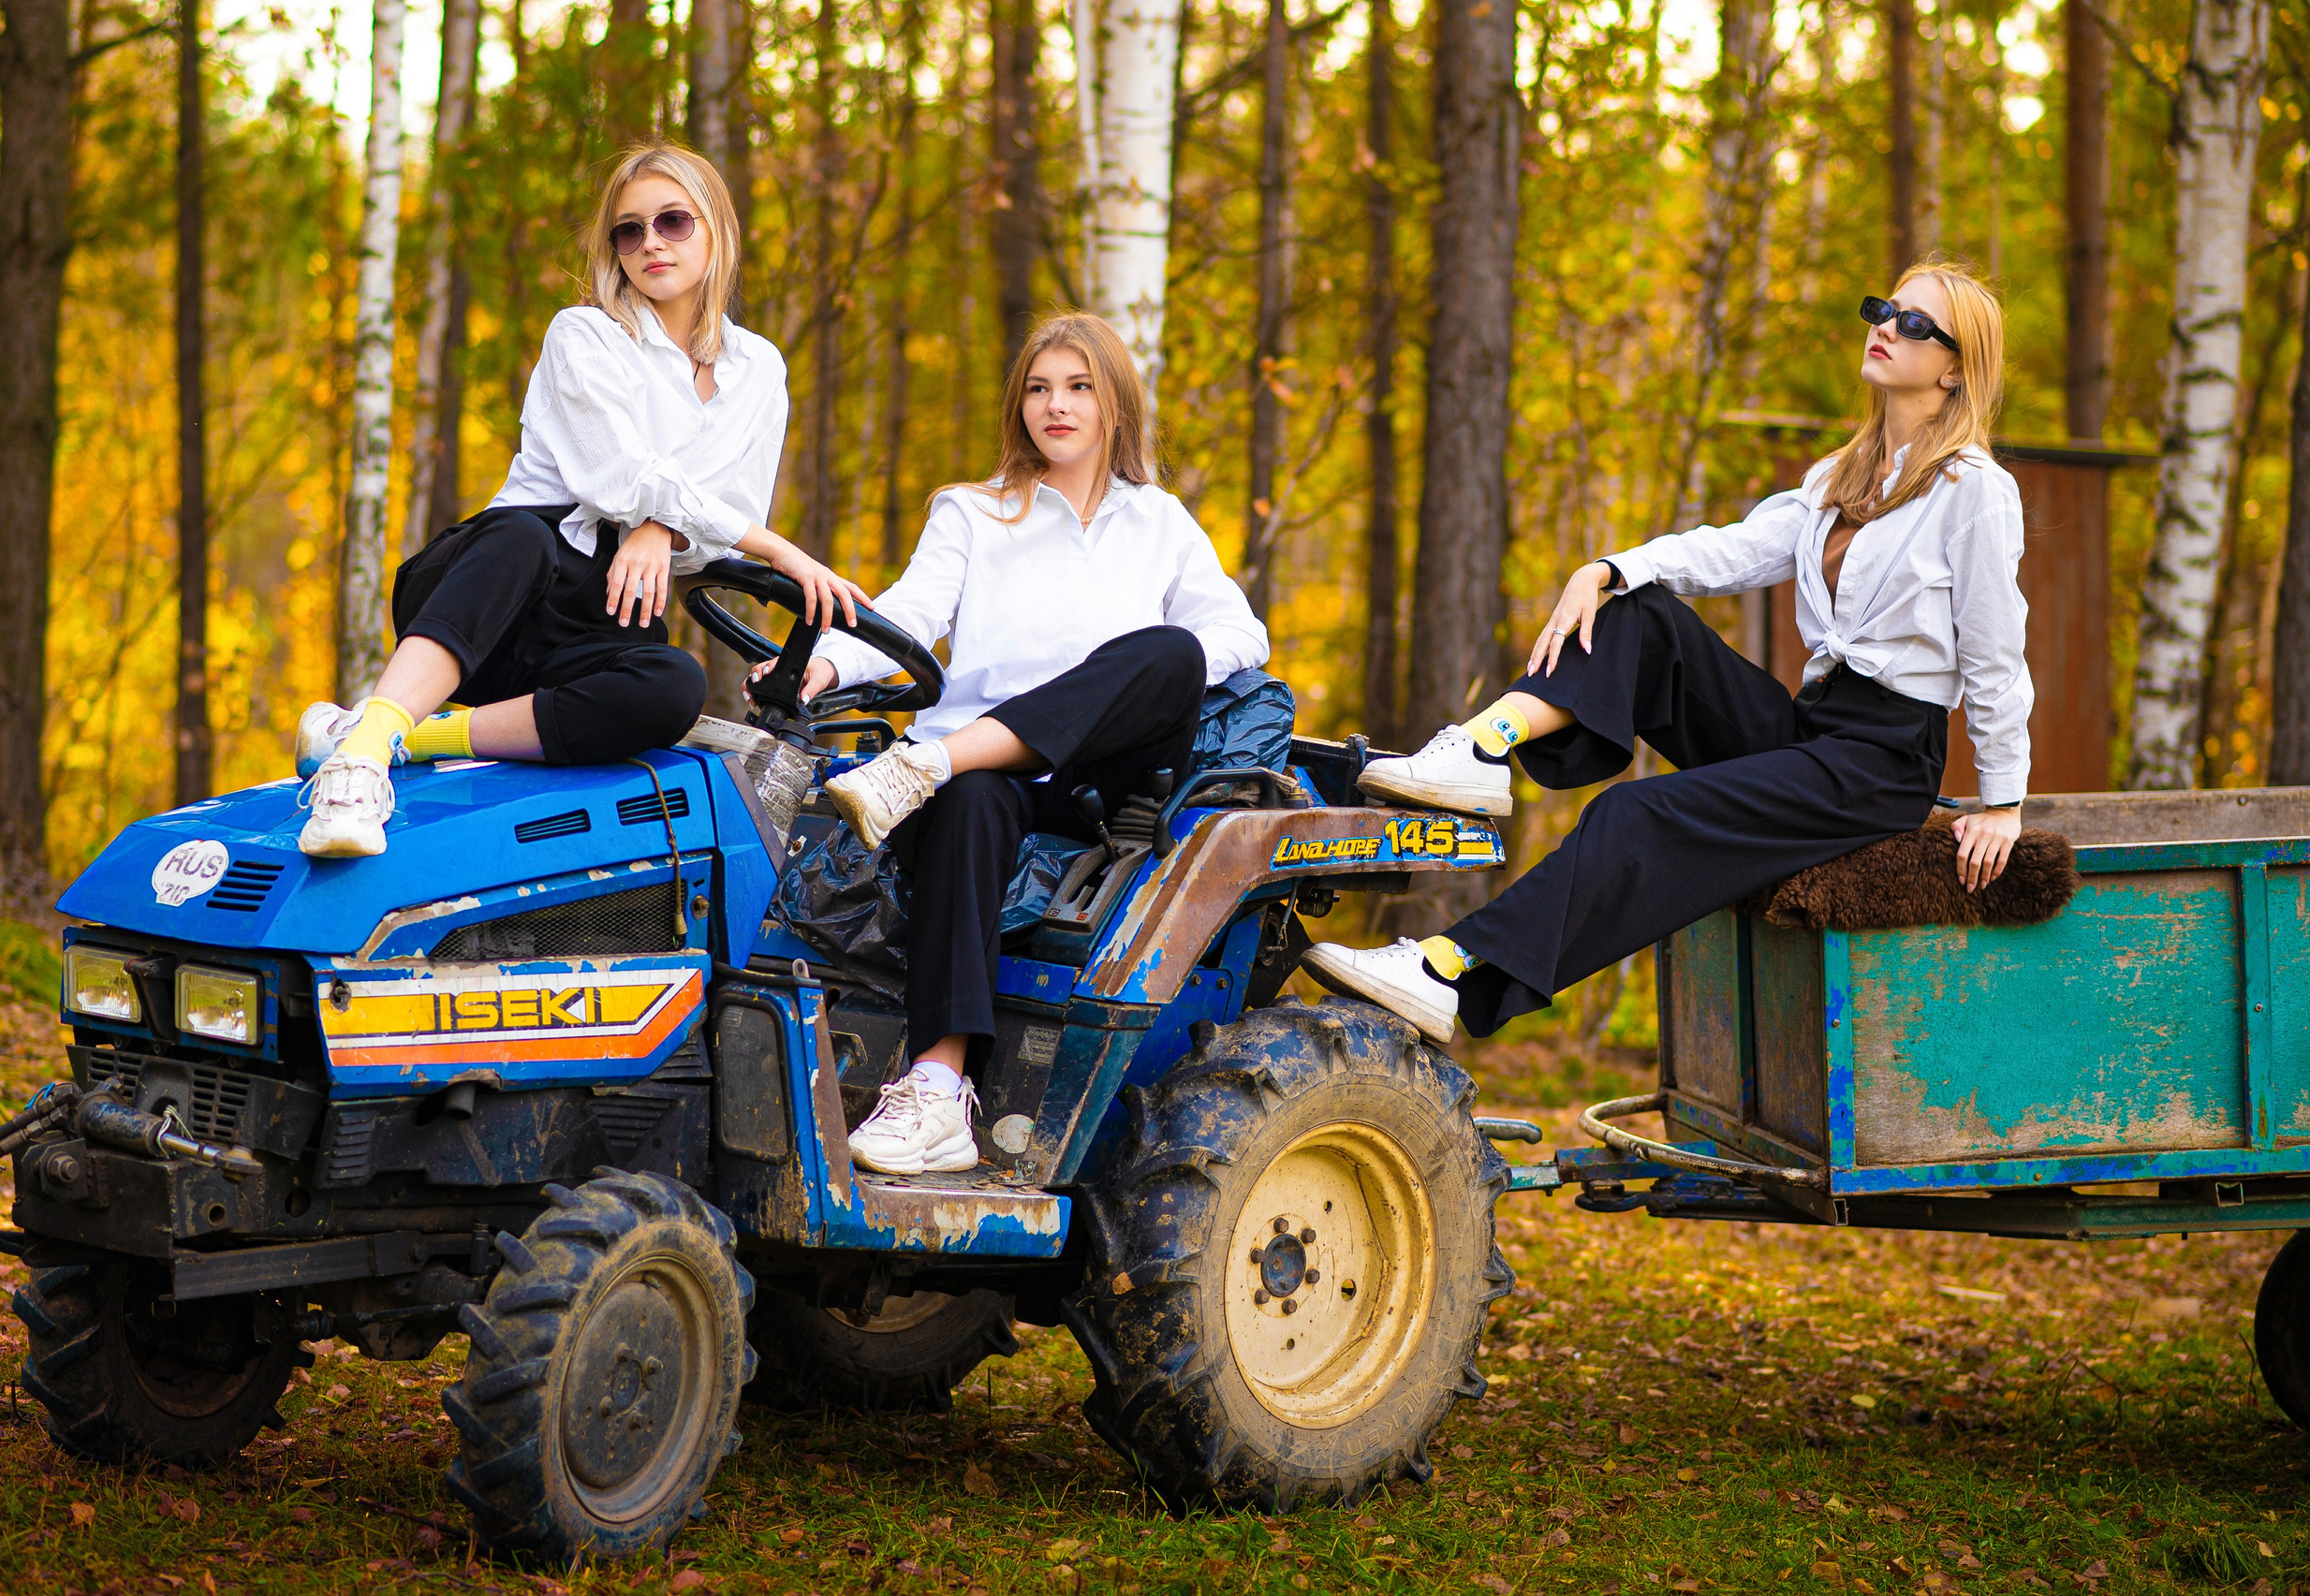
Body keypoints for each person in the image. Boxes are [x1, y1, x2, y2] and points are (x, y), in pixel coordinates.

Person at [1306, 260, 2031, 1045]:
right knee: (1641, 611)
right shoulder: (1841, 477)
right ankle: (1481, 748)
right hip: (1814, 727)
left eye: (1914, 323)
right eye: (1883, 309)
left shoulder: (1974, 490)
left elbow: (1996, 655)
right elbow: (1734, 550)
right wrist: (1608, 569)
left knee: (1632, 813)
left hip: (1880, 764)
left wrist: (2003, 801)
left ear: (1954, 369)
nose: (1886, 326)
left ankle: (1444, 969)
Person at [759, 312, 1269, 1175]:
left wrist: (1108, 680)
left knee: (1173, 652)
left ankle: (933, 758)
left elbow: (1241, 635)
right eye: (1038, 389)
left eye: (1078, 388)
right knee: (967, 796)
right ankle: (938, 1089)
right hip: (979, 784)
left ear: (1115, 404)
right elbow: (908, 615)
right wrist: (820, 665)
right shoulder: (973, 511)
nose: (1055, 406)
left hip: (1097, 784)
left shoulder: (1161, 522)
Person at [293, 143, 864, 858]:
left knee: (672, 685)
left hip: (603, 610)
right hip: (492, 592)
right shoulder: (584, 335)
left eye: (673, 221)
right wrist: (774, 549)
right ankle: (361, 756)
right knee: (523, 538)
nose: (650, 242)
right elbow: (620, 474)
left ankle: (408, 734)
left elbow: (729, 508)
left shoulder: (758, 368)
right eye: (629, 230)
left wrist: (662, 530)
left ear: (717, 227)